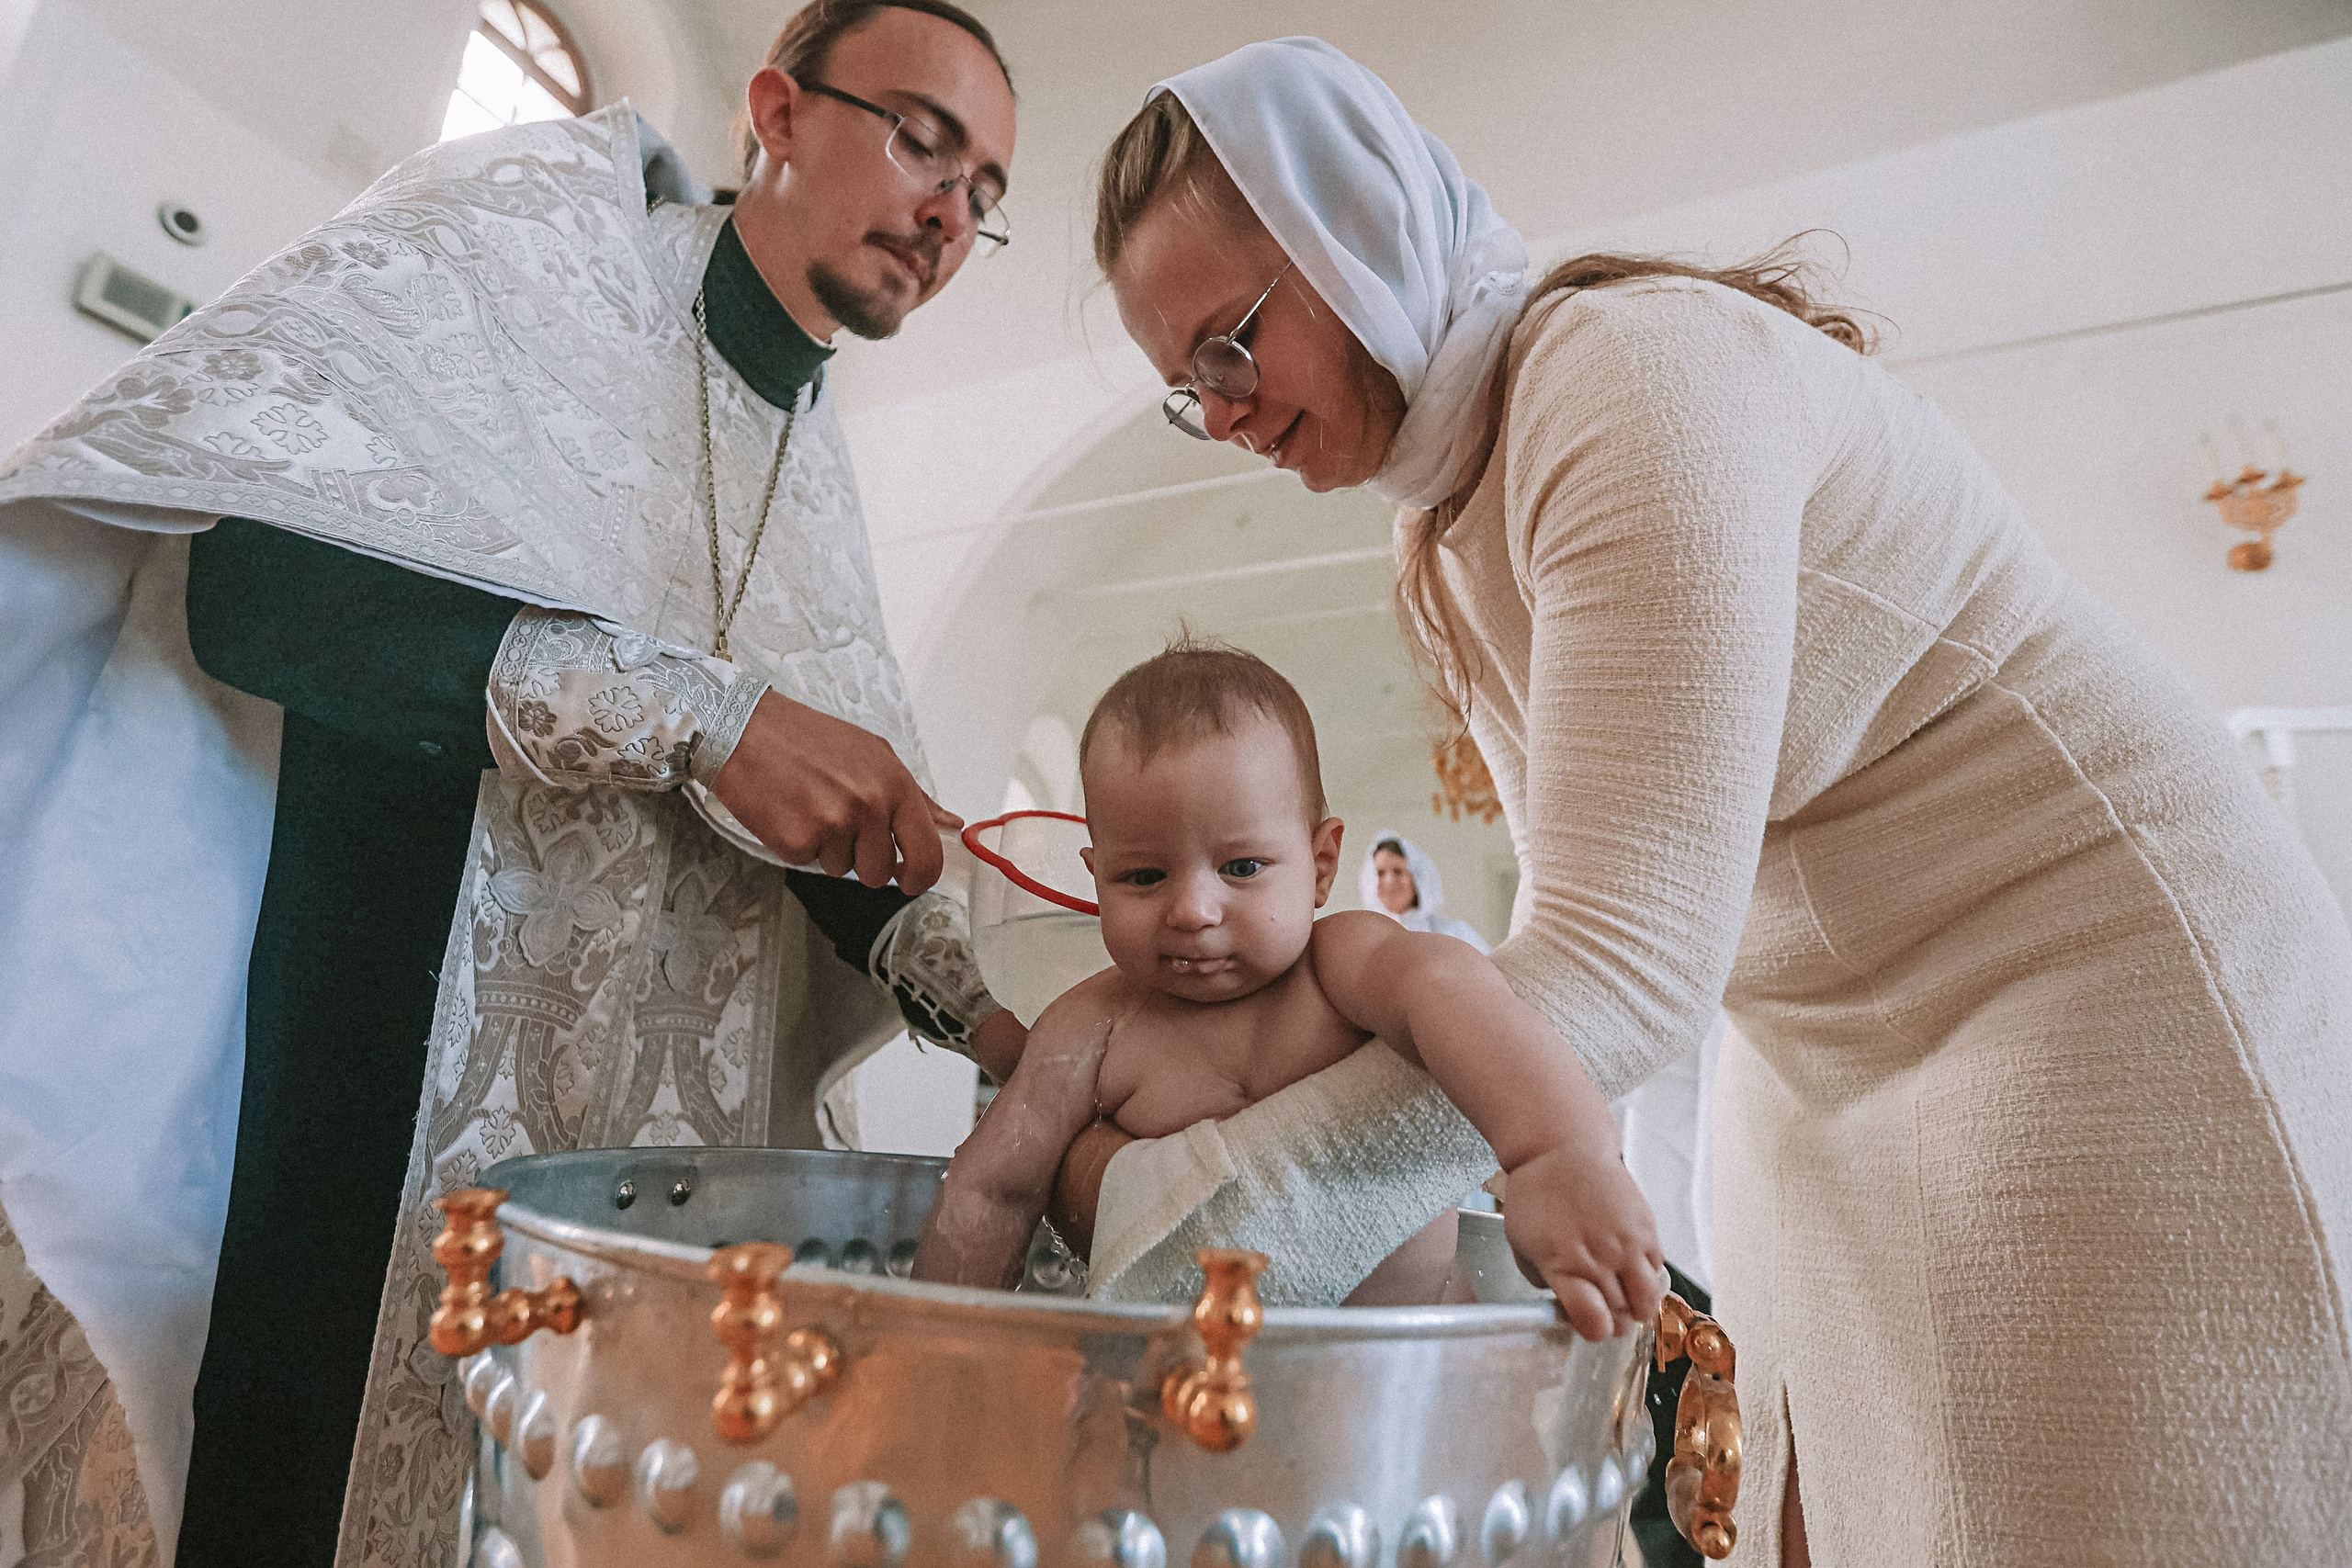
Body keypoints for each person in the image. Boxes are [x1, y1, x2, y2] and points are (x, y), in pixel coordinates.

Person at [1058, 35, 2352, 1567]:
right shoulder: (1439, 524)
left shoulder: (1628, 382)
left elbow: (1614, 970)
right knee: (1813, 1500)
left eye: (1233, 342)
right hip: (1819, 1041)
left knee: (2095, 1505)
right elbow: (1557, 953)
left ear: (1352, 226)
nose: (1224, 412)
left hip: (2080, 969)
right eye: (1182, 394)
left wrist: (1207, 1195)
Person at [0, 5, 1025, 1564]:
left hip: (634, 1200)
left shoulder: (815, 463)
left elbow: (819, 816)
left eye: (988, 195)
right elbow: (260, 591)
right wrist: (693, 714)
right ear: (779, 109)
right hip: (367, 1075)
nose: (951, 211)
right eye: (922, 142)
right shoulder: (533, 237)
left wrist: (993, 1009)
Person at [916, 640, 1661, 1334]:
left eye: (1242, 868)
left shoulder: (1341, 964)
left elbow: (1448, 987)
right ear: (1095, 876)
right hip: (1183, 1391)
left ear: (1321, 863)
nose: (1193, 910)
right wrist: (935, 1349)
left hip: (1405, 1378)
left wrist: (1556, 1152)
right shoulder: (1091, 1024)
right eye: (1143, 876)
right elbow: (991, 1187)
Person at [1361, 830, 1489, 952]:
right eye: (1380, 873)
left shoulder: (1456, 935)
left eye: (1398, 871)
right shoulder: (1362, 939)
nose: (1389, 881)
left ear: (1418, 878)